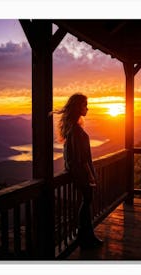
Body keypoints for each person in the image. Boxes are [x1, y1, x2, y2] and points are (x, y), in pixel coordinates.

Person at [57, 93, 103, 249]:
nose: (87, 108)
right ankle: (86, 236)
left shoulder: (73, 128)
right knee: (86, 202)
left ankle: (85, 235)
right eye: (85, 105)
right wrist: (91, 176)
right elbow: (81, 157)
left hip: (77, 172)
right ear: (78, 107)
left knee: (86, 203)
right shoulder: (76, 130)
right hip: (81, 174)